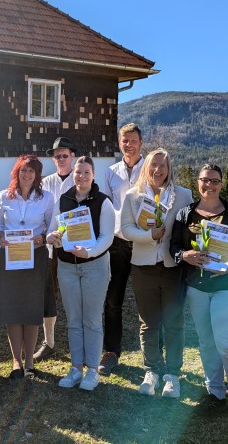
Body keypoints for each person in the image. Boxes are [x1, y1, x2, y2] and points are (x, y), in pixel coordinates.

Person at [169, 163, 228, 438]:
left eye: (215, 180)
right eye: (205, 180)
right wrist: (185, 256)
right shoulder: (186, 214)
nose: (209, 185)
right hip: (197, 288)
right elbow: (174, 245)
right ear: (197, 182)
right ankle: (215, 393)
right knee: (206, 342)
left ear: (221, 183)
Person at [121, 148, 193, 398]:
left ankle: (173, 374)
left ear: (169, 168)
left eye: (163, 165)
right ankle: (151, 370)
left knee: (174, 322)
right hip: (143, 267)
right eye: (153, 165)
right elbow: (126, 229)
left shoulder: (184, 195)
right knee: (149, 322)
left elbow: (190, 229)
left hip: (173, 268)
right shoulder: (133, 196)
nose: (158, 170)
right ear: (146, 167)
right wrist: (149, 235)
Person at [46, 156, 115, 391]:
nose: (82, 176)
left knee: (92, 320)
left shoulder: (103, 202)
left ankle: (92, 370)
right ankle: (76, 368)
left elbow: (107, 236)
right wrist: (51, 237)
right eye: (78, 172)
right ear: (72, 174)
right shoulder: (63, 200)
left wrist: (90, 251)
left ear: (93, 175)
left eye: (86, 172)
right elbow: (52, 229)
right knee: (74, 320)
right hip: (67, 267)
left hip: (94, 265)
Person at [0, 154, 56, 379]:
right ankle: (16, 362)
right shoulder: (4, 196)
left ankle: (30, 362)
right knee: (12, 310)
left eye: (32, 171)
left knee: (31, 310)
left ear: (38, 175)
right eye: (23, 170)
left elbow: (52, 225)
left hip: (35, 258)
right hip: (10, 257)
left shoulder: (47, 198)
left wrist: (43, 237)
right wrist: (0, 237)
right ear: (16, 173)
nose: (27, 174)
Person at [98, 122, 145, 375]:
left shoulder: (151, 168)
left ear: (141, 142)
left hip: (143, 241)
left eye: (133, 140)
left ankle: (152, 352)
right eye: (125, 141)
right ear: (120, 143)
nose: (129, 145)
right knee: (113, 300)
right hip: (117, 242)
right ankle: (111, 351)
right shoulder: (111, 171)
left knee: (146, 300)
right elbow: (107, 206)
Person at [36, 136, 77, 362]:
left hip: (74, 247)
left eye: (64, 155)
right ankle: (49, 342)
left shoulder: (80, 179)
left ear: (72, 156)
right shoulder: (45, 182)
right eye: (57, 156)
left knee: (73, 296)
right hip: (50, 247)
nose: (60, 159)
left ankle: (76, 342)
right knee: (49, 295)